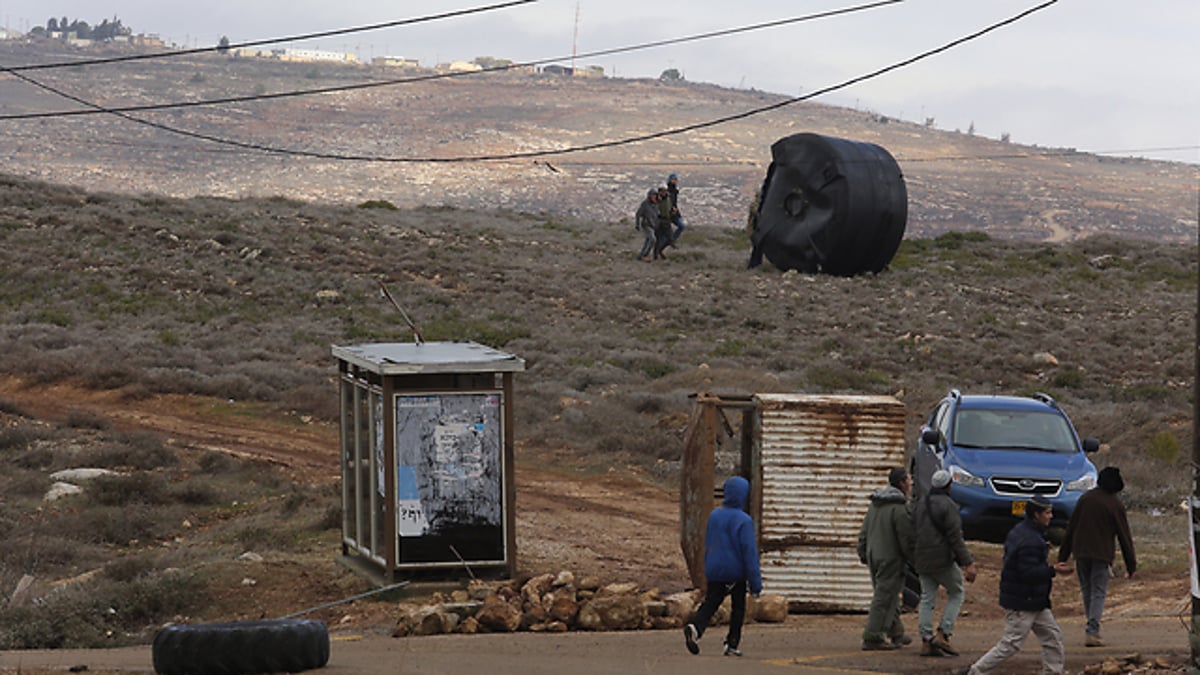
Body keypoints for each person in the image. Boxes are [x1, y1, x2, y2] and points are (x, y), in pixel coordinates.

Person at [954, 498, 1074, 675]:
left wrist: (1042, 550)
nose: (1051, 516)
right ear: (1036, 515)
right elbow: (1028, 573)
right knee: (1011, 643)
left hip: (1033, 600)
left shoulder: (1023, 532)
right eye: (1047, 513)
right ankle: (975, 672)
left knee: (1053, 638)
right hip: (1024, 600)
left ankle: (1053, 672)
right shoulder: (1030, 540)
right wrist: (1053, 570)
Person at [683, 475, 763, 658]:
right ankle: (731, 643)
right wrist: (756, 584)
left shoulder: (714, 515)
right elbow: (749, 553)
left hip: (714, 568)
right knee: (738, 608)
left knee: (712, 601)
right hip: (735, 572)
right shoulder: (744, 520)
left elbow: (709, 542)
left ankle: (696, 627)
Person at [1057, 465, 1136, 647]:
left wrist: (1063, 555)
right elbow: (1125, 537)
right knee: (1098, 593)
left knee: (1088, 591)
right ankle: (1093, 631)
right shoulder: (1115, 505)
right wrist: (1131, 565)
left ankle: (1091, 627)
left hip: (1081, 552)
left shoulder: (1085, 499)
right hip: (1102, 555)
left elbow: (1071, 529)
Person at [912, 469, 977, 658]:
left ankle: (926, 640)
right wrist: (968, 563)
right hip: (942, 559)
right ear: (949, 485)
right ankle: (944, 632)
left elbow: (911, 530)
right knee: (956, 592)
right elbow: (955, 537)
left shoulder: (919, 504)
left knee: (927, 598)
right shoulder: (949, 506)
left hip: (921, 558)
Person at [856, 467, 915, 650]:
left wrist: (863, 552)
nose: (911, 483)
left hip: (874, 555)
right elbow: (906, 539)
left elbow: (864, 531)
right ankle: (873, 636)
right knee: (884, 598)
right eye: (909, 480)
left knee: (889, 596)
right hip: (891, 558)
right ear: (901, 483)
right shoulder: (899, 508)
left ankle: (896, 632)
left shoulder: (876, 504)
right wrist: (914, 560)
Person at [635, 188, 660, 261]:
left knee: (648, 240)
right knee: (652, 239)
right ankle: (645, 254)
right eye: (653, 195)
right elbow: (638, 214)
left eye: (655, 195)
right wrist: (637, 224)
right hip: (646, 224)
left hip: (653, 225)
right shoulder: (645, 204)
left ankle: (643, 254)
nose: (654, 197)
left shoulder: (656, 204)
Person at [654, 186, 673, 260]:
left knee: (670, 239)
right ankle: (655, 257)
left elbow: (669, 208)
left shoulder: (668, 199)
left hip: (667, 221)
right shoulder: (656, 199)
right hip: (659, 222)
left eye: (665, 191)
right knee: (658, 240)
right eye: (662, 191)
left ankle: (660, 250)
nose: (664, 193)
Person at [666, 173, 686, 242]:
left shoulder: (674, 191)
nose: (674, 181)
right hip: (669, 213)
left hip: (675, 212)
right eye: (673, 179)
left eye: (675, 180)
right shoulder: (668, 190)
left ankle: (671, 240)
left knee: (682, 226)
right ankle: (670, 240)